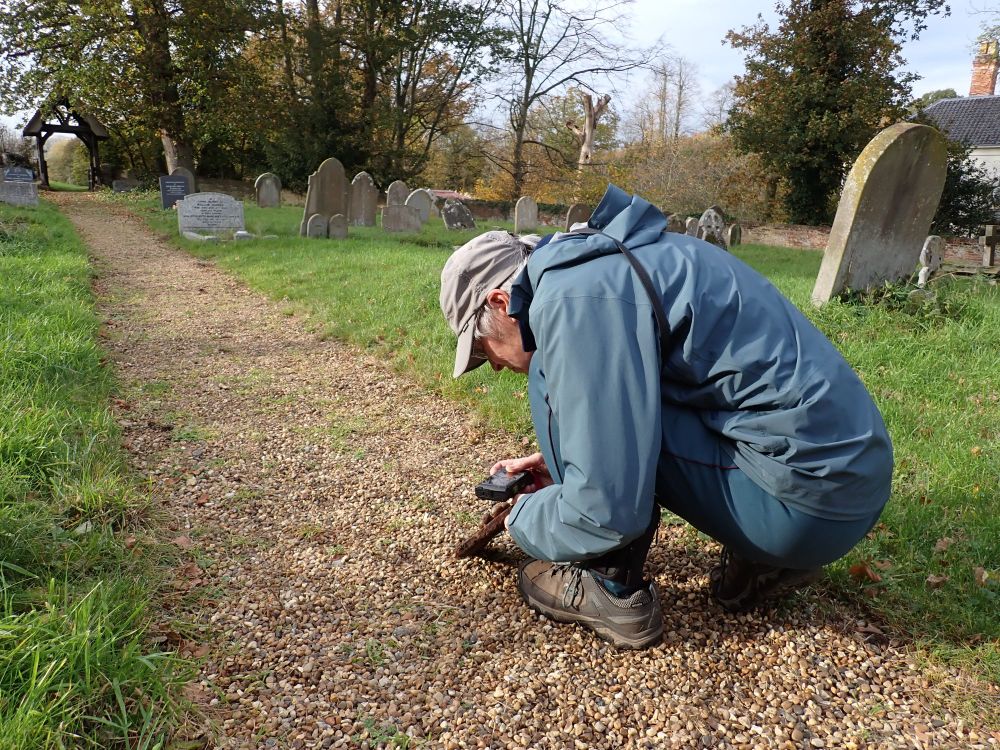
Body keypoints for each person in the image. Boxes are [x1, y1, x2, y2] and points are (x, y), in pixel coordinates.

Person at [439, 185, 892, 650]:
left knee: (545, 373)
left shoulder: (569, 299)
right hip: (852, 486)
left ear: (499, 302)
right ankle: (764, 558)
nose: (492, 365)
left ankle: (607, 585)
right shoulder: (622, 258)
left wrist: (526, 518)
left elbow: (606, 506)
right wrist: (563, 460)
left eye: (480, 348)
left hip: (803, 505)